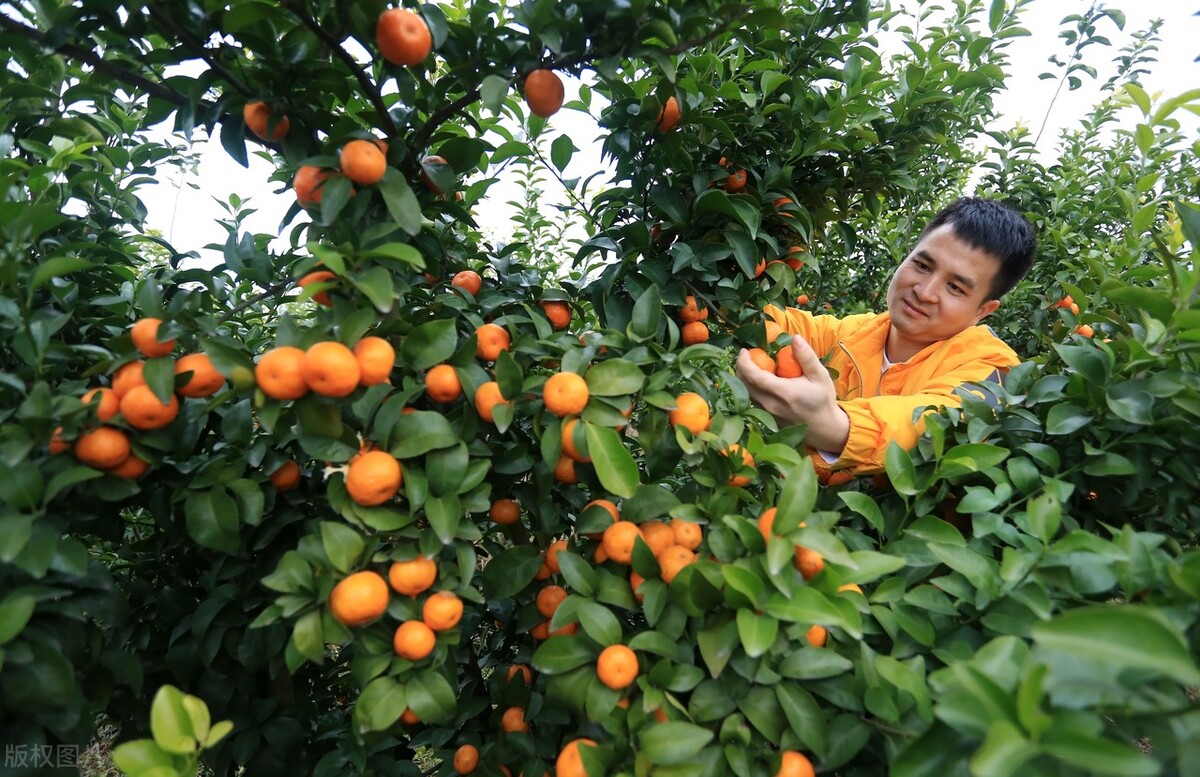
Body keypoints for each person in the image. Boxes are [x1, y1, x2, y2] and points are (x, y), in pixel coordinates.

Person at [735, 196, 1037, 476]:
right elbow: (770, 321)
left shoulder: (993, 371)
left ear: (983, 310)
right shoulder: (853, 333)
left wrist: (837, 427)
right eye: (922, 265)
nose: (925, 291)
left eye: (955, 288)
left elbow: (929, 421)